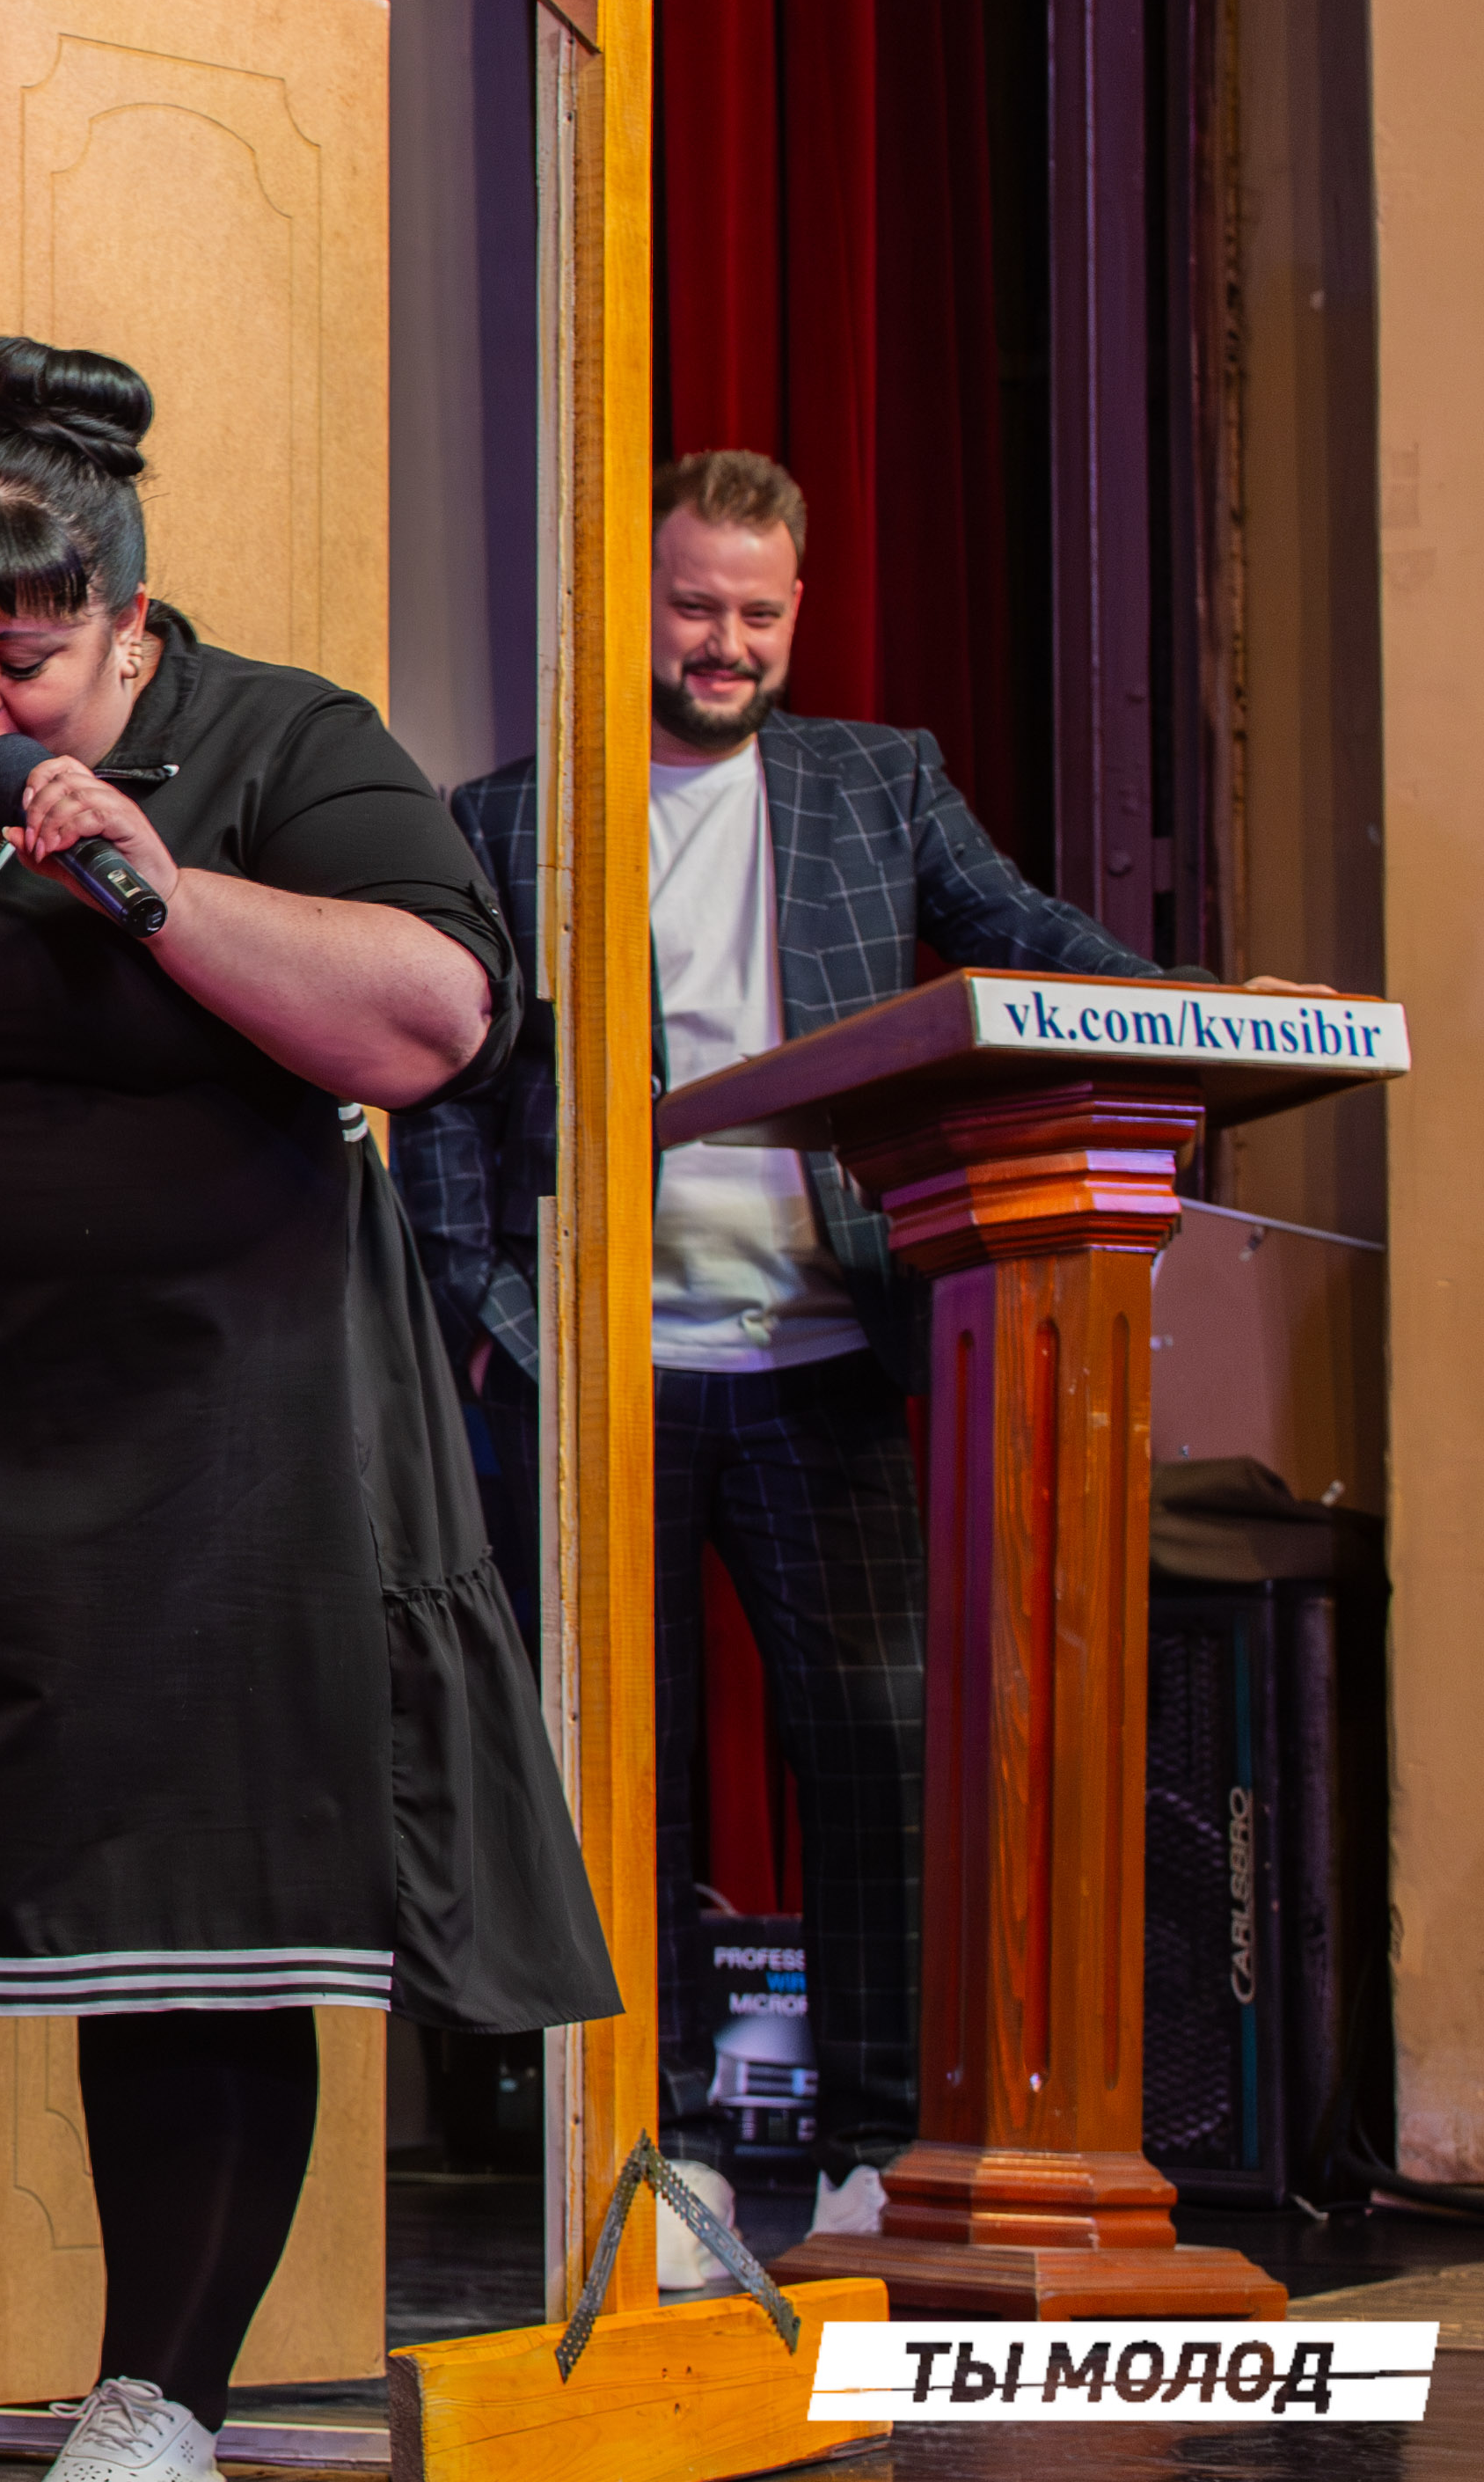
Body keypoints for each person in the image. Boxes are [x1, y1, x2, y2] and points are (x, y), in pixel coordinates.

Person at [0, 339, 613, 2482]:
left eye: (24, 658)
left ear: (130, 619)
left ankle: (160, 2397)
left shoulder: (281, 741)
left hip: (207, 1451)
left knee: (196, 1926)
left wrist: (152, 884)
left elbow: (437, 1020)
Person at [398, 447, 1155, 2255]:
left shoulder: (879, 782)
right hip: (602, 1380)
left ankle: (879, 2147)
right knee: (621, 1781)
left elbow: (1025, 941)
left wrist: (1184, 1009)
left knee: (882, 1753)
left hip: (827, 1356)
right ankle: (659, 2155)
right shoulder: (508, 816)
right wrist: (494, 1326)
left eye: (755, 611)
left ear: (797, 610)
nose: (723, 643)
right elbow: (447, 1096)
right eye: (693, 606)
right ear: (634, 605)